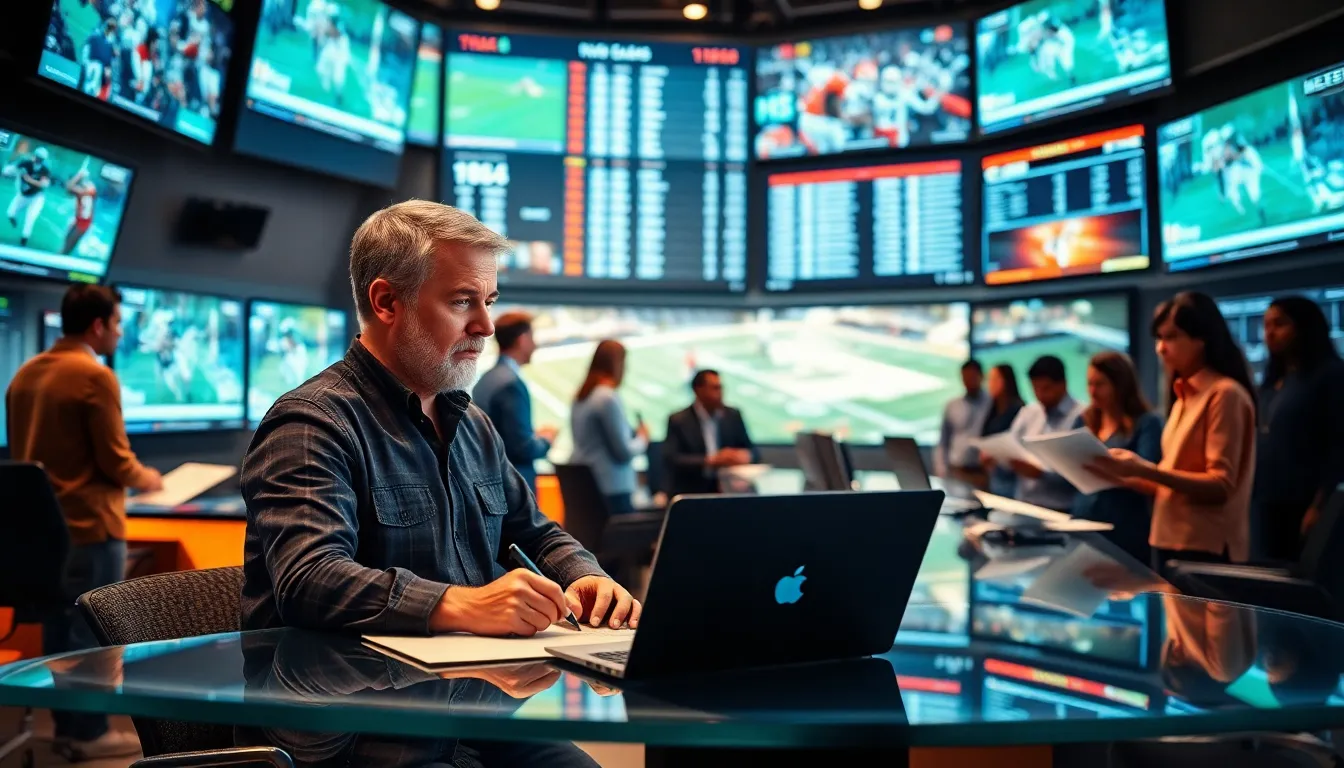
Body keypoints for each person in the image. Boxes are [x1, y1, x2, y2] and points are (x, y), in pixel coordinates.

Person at [241, 201, 636, 768]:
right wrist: (462, 604)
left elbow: (535, 531)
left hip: (476, 715)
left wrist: (587, 576)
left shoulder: (471, 422)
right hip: (362, 735)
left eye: (489, 302)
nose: (486, 325)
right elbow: (310, 579)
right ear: (385, 302)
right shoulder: (312, 422)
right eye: (462, 302)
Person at [6, 284, 162, 761]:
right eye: (116, 323)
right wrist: (151, 479)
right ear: (98, 325)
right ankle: (90, 734)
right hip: (92, 527)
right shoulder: (94, 377)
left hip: (41, 534)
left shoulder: (25, 375)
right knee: (92, 636)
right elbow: (117, 463)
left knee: (60, 631)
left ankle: (66, 726)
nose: (118, 332)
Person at [1088, 292, 1257, 572]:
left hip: (1204, 546)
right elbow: (1172, 482)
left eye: (1171, 337)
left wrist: (1144, 469)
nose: (1160, 349)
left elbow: (1221, 485)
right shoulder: (1183, 397)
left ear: (1201, 339)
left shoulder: (1225, 395)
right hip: (1169, 538)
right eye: (1159, 338)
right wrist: (1125, 472)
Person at [1253, 296, 1344, 560]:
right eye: (1266, 325)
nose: (1270, 332)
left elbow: (1338, 447)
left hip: (1306, 503)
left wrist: (1321, 505)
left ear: (1304, 326)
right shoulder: (1272, 382)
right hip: (1268, 502)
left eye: (1279, 324)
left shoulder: (1330, 375)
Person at [1072, 351, 1163, 564]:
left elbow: (1152, 481)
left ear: (1120, 385)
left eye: (1100, 384)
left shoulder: (1146, 423)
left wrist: (1110, 475)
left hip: (1123, 530)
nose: (1092, 392)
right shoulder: (1085, 420)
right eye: (1089, 384)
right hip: (1083, 525)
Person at [472, 311, 558, 495]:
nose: (535, 344)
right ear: (522, 340)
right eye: (532, 337)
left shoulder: (486, 378)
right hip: (513, 489)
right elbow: (522, 448)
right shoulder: (511, 384)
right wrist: (546, 440)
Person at [995, 355, 1085, 511]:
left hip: (1061, 509)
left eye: (1046, 388)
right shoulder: (1029, 412)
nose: (1040, 394)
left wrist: (1041, 474)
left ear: (1063, 384)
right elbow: (1009, 448)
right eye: (1035, 388)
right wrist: (997, 458)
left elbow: (1081, 474)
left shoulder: (1081, 416)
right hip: (1024, 506)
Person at [569, 340, 649, 515]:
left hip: (588, 486)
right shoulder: (607, 398)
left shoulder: (582, 396)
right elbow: (623, 451)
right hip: (612, 488)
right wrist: (643, 439)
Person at [662, 369, 758, 498]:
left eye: (720, 388)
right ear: (698, 390)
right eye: (714, 388)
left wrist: (744, 456)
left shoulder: (732, 416)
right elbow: (672, 458)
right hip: (692, 492)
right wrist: (710, 460)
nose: (720, 393)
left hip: (730, 490)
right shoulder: (679, 420)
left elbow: (753, 451)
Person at [934, 360, 992, 485]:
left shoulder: (992, 403)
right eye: (965, 378)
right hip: (956, 471)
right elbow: (943, 440)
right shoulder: (953, 405)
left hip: (981, 473)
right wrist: (941, 468)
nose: (968, 381)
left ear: (981, 376)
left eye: (972, 377)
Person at [980, 363, 1024, 496]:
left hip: (1014, 478)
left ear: (1006, 381)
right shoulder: (992, 408)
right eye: (989, 380)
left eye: (994, 379)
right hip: (995, 475)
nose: (990, 384)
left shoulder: (1019, 409)